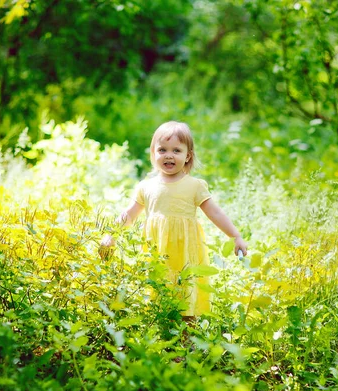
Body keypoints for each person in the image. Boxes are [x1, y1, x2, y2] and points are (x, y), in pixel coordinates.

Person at [101, 121, 247, 320]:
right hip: (156, 251)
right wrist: (111, 234)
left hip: (184, 251)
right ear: (154, 153)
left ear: (188, 156)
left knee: (185, 296)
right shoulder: (146, 187)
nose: (169, 155)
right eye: (162, 149)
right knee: (156, 298)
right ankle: (160, 343)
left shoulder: (194, 186)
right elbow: (129, 214)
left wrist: (235, 236)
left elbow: (215, 213)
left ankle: (185, 345)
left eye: (176, 150)